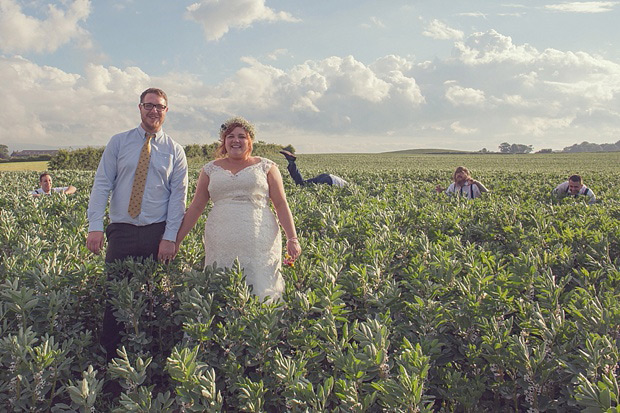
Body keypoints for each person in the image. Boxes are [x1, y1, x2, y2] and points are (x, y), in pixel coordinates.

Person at [85, 87, 188, 365]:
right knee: (116, 298)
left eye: (160, 107)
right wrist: (95, 225)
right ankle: (113, 360)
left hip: (157, 233)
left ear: (167, 111)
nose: (154, 110)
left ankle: (151, 359)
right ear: (139, 107)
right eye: (149, 105)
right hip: (122, 231)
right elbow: (102, 183)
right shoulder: (118, 143)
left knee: (155, 296)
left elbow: (178, 198)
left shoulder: (175, 151)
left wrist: (170, 237)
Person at [175, 116, 301, 301]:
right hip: (221, 238)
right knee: (221, 286)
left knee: (260, 287)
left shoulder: (266, 166)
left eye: (242, 136)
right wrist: (175, 240)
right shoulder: (209, 169)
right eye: (230, 136)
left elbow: (281, 203)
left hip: (259, 239)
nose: (236, 140)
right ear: (223, 141)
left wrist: (293, 238)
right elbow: (195, 207)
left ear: (250, 141)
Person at [279, 150, 348, 187]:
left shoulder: (347, 184)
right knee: (317, 195)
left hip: (326, 176)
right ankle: (291, 162)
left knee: (302, 184)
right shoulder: (348, 188)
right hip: (329, 181)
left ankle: (291, 162)